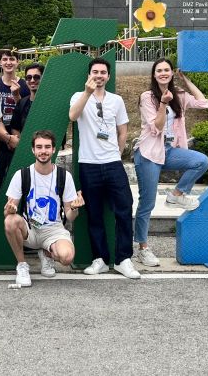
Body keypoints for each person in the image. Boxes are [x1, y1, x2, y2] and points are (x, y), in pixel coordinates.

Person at [133, 58, 208, 267]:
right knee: (147, 204)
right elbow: (156, 127)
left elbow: (203, 103)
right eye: (159, 70)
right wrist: (164, 104)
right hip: (149, 152)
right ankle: (143, 247)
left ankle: (176, 195)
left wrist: (186, 81)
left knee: (201, 161)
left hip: (169, 150)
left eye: (166, 70)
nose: (163, 73)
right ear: (154, 74)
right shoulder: (147, 97)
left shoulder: (179, 96)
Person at [69, 58, 140, 279]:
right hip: (88, 164)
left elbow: (122, 131)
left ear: (108, 76)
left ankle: (123, 259)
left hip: (112, 163)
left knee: (124, 207)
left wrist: (117, 155)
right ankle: (99, 258)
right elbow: (72, 116)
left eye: (102, 72)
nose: (99, 75)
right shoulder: (79, 96)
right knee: (95, 213)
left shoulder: (116, 100)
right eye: (95, 72)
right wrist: (87, 93)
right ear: (89, 75)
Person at [3, 130, 83, 287]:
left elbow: (70, 216)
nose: (43, 151)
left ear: (54, 149)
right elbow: (7, 212)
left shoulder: (64, 176)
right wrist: (10, 210)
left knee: (67, 258)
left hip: (54, 230)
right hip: (30, 229)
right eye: (39, 147)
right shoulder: (22, 175)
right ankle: (22, 265)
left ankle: (47, 254)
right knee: (10, 221)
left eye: (47, 147)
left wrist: (74, 208)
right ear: (33, 150)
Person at [0, 48, 30, 181]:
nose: (8, 62)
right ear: (0, 62)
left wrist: (17, 96)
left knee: (18, 177)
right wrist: (6, 137)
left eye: (12, 59)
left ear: (17, 62)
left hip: (19, 136)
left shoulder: (26, 85)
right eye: (5, 59)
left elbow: (26, 112)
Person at [8, 63, 43, 139]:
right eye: (29, 77)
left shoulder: (51, 103)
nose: (32, 80)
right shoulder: (21, 103)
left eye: (36, 77)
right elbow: (15, 128)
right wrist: (22, 146)